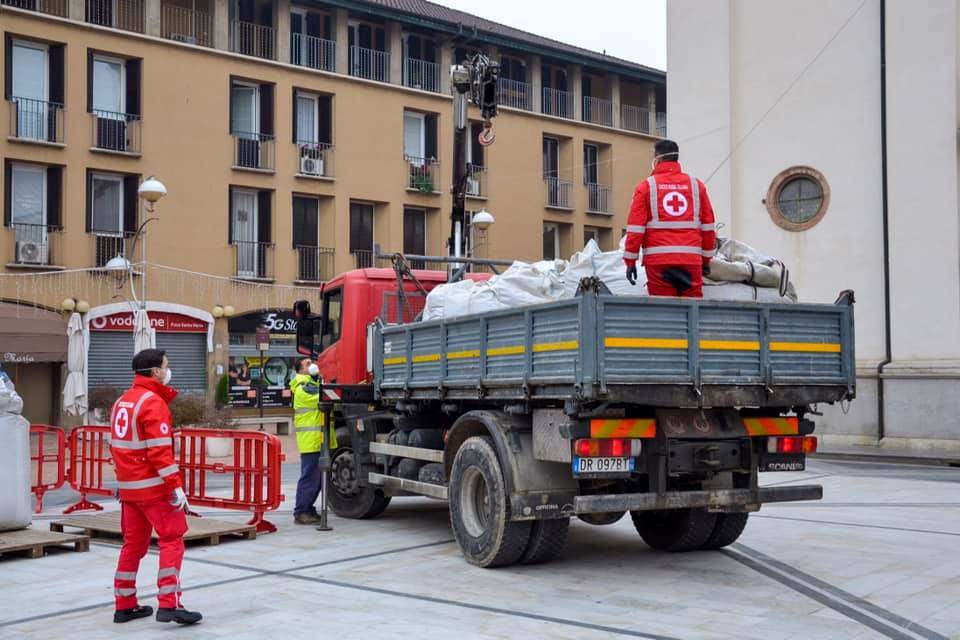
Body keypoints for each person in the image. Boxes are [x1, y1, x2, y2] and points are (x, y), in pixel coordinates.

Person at [110, 348, 202, 626]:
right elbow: (159, 452)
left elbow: (116, 447)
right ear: (155, 372)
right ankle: (169, 604)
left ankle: (124, 605)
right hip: (154, 489)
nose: (168, 370)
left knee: (133, 545)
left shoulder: (122, 402)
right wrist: (175, 486)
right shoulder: (153, 403)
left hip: (129, 490)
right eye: (166, 365)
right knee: (172, 541)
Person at [623, 139, 717, 297]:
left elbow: (635, 230)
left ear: (657, 159)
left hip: (658, 262)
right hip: (690, 261)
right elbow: (708, 227)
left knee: (664, 314)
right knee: (692, 311)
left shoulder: (646, 187)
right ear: (676, 158)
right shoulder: (696, 186)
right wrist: (706, 260)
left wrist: (630, 261)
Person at [289, 357, 337, 524]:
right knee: (309, 477)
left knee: (317, 479)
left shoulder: (314, 383)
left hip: (319, 440)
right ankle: (301, 511)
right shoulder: (302, 388)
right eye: (307, 364)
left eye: (312, 362)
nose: (312, 365)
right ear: (301, 370)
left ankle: (308, 510)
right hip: (311, 441)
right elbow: (324, 397)